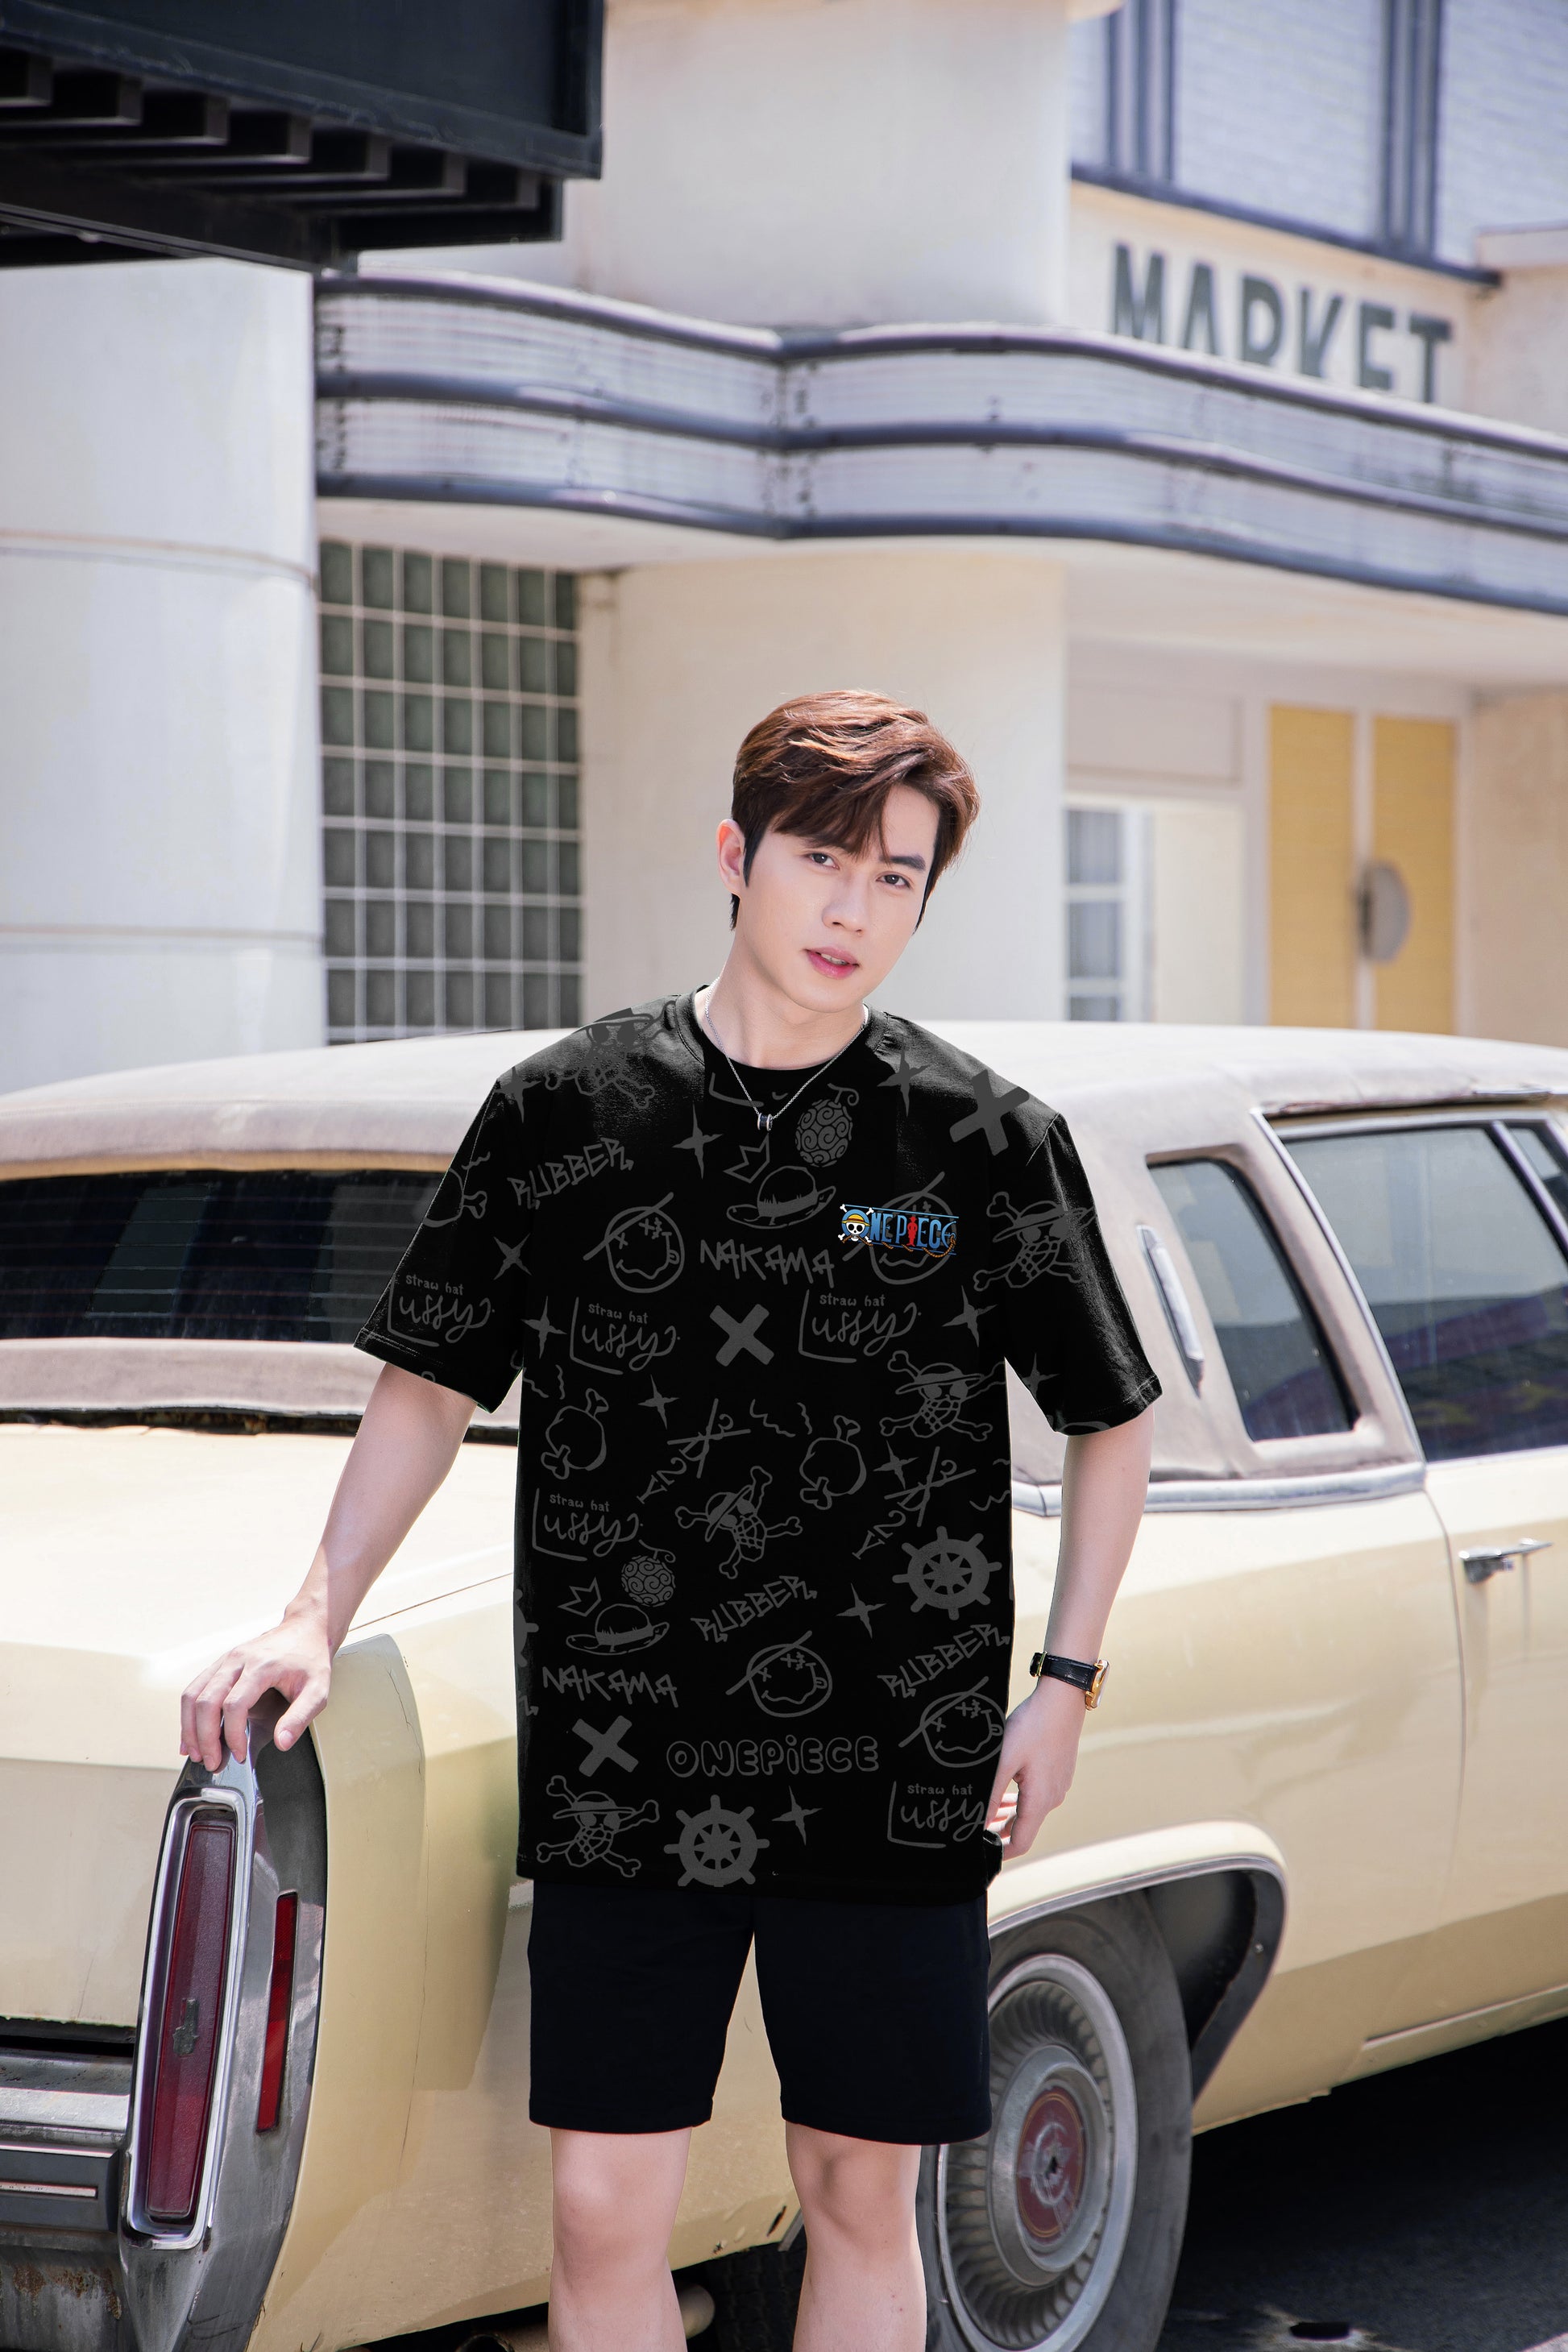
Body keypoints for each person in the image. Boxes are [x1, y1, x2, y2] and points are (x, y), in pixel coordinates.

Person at [181, 689, 1158, 2352]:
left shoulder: (980, 1138)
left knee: (858, 2185)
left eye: (898, 878)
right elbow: (429, 1384)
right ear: (735, 853)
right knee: (600, 2204)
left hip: (895, 1747)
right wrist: (313, 1610)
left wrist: (1061, 1685)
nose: (855, 908)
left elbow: (1108, 1414)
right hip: (626, 1740)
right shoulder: (565, 1111)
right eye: (822, 859)